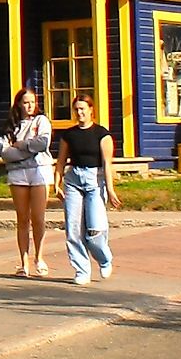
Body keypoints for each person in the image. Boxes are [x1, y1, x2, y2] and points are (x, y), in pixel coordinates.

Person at [53, 95, 120, 285]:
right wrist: (56, 183)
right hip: (73, 179)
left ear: (91, 110)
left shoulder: (102, 134)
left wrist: (110, 189)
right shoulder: (69, 134)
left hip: (94, 180)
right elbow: (61, 161)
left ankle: (104, 258)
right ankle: (81, 270)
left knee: (95, 230)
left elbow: (107, 164)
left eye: (83, 109)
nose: (80, 113)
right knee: (73, 228)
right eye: (77, 109)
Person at [0, 89, 52, 277]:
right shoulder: (10, 126)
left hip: (39, 170)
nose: (29, 106)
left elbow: (42, 143)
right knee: (22, 218)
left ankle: (40, 257)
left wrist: (22, 145)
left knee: (38, 217)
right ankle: (23, 262)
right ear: (19, 103)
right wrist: (27, 150)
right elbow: (5, 153)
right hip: (18, 173)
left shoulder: (41, 121)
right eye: (25, 102)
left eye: (32, 102)